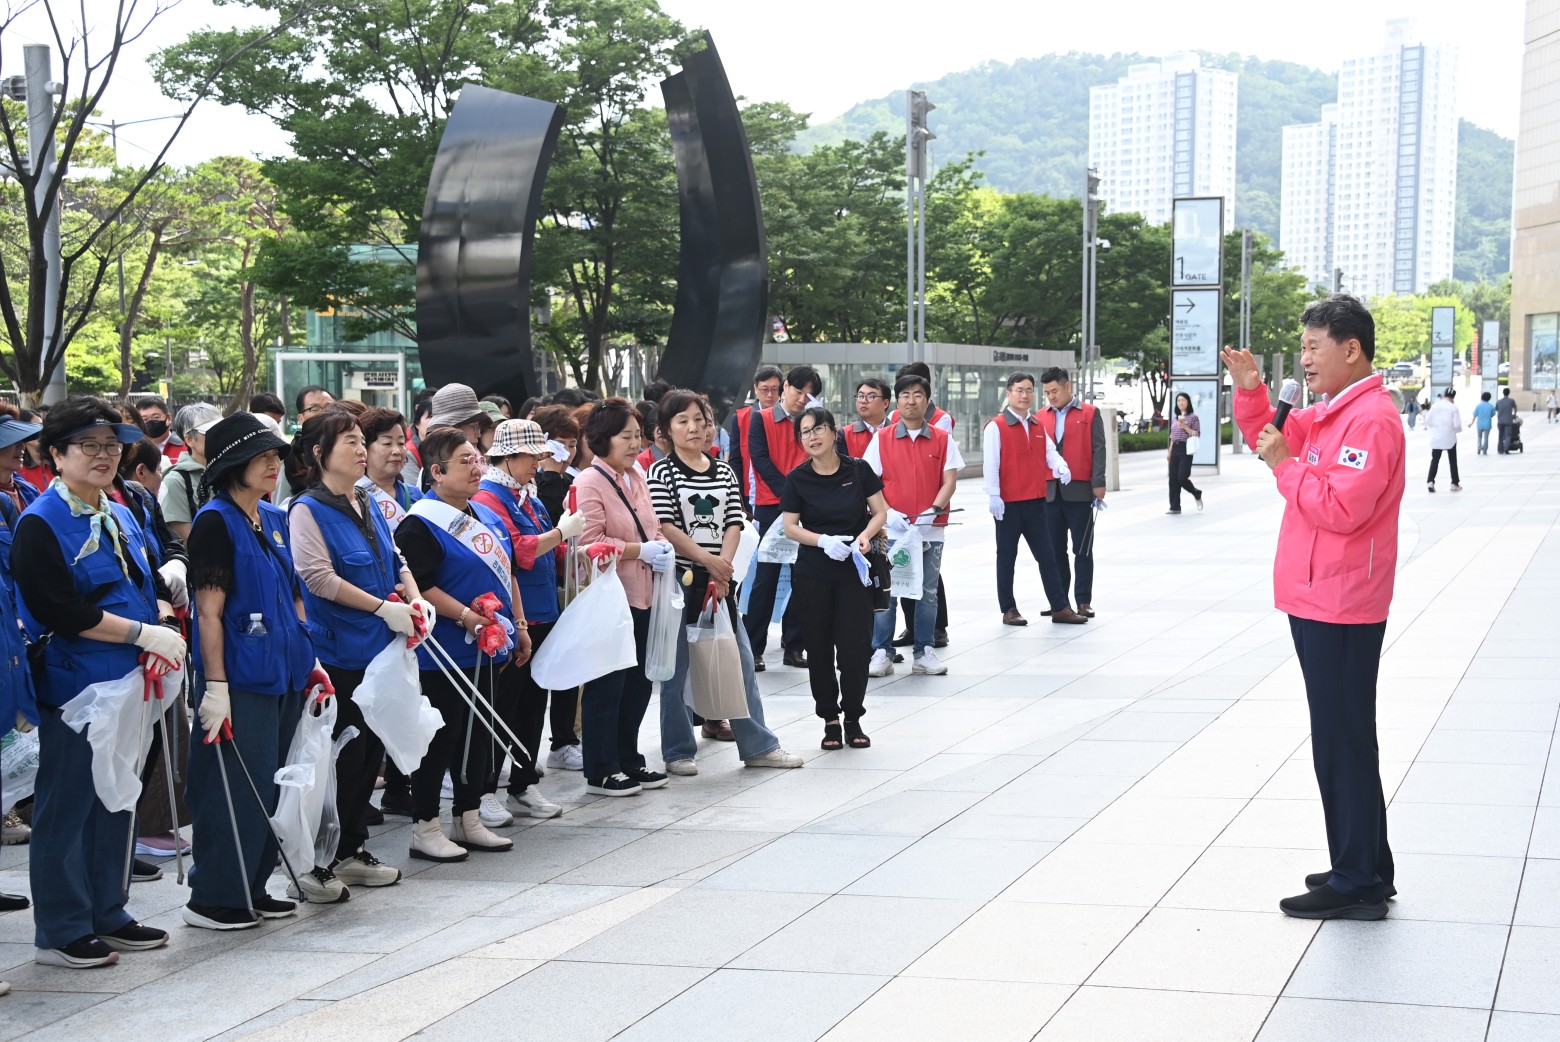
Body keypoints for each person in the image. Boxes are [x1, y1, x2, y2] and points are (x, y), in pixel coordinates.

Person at [1223, 294, 1403, 921]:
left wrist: (1285, 467)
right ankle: (1366, 865)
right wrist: (1251, 391)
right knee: (1343, 736)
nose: (1304, 358)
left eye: (1312, 346)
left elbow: (1341, 507)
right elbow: (1271, 437)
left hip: (1341, 601)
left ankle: (1356, 881)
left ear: (1351, 349)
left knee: (1341, 740)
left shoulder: (1369, 420)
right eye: (1302, 347)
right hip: (1320, 595)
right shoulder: (1332, 413)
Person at [12, 397, 181, 963]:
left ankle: (109, 910)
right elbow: (60, 610)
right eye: (89, 445)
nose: (104, 455)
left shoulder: (120, 510)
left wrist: (161, 620)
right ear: (55, 454)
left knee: (117, 798)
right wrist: (142, 634)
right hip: (77, 687)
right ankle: (62, 929)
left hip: (132, 682)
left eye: (112, 445)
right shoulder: (41, 523)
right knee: (69, 806)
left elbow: (147, 577)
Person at [184, 412, 321, 930]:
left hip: (284, 672)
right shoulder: (215, 521)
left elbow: (293, 595)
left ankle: (254, 885)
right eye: (261, 457)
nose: (273, 465)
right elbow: (209, 612)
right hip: (240, 678)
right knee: (234, 789)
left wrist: (309, 659)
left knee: (272, 786)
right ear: (232, 463)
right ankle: (215, 896)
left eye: (275, 456)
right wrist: (215, 685)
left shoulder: (272, 517)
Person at [289, 411, 433, 897]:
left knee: (371, 751)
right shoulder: (306, 509)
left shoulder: (366, 498)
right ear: (319, 454)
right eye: (349, 442)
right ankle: (322, 858)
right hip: (340, 653)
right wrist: (381, 608)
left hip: (381, 649)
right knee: (342, 756)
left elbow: (395, 558)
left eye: (359, 441)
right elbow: (318, 578)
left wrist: (414, 598)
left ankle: (351, 848)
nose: (360, 450)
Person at [649, 390, 803, 775]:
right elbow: (666, 526)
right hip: (680, 581)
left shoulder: (723, 471)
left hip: (721, 582)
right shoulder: (661, 472)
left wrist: (724, 568)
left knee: (740, 662)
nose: (694, 428)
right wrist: (709, 562)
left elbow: (735, 521)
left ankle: (758, 746)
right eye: (683, 421)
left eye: (700, 420)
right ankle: (678, 751)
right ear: (667, 429)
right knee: (675, 669)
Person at [395, 426, 530, 858]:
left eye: (478, 459)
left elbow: (508, 573)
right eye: (465, 461)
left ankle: (468, 818)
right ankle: (425, 826)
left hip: (489, 647)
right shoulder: (419, 523)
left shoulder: (486, 515)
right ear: (436, 472)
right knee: (443, 737)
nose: (477, 468)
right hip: (444, 651)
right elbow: (419, 585)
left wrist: (519, 625)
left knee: (479, 735)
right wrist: (468, 618)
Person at [471, 419, 584, 818]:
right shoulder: (488, 499)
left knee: (533, 705)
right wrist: (561, 534)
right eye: (531, 456)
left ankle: (522, 783)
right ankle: (484, 789)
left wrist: (580, 549)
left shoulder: (528, 497)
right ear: (508, 457)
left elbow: (551, 551)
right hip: (513, 619)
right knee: (500, 707)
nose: (538, 463)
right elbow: (518, 551)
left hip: (543, 612)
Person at [572, 398, 675, 796]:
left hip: (644, 592)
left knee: (637, 682)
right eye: (625, 437)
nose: (635, 444)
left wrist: (660, 545)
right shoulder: (589, 482)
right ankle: (601, 769)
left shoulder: (637, 475)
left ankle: (628, 758)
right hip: (612, 596)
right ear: (603, 439)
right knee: (608, 683)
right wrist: (639, 551)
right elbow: (589, 543)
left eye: (637, 436)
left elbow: (651, 525)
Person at [781, 407, 887, 750]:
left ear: (833, 432)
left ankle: (853, 717)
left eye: (817, 429)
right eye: (805, 432)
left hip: (854, 571)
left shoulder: (858, 469)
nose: (811, 437)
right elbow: (789, 527)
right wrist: (822, 541)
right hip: (813, 573)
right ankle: (830, 719)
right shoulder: (798, 478)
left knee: (855, 648)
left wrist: (865, 536)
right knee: (819, 648)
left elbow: (880, 511)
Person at [864, 374, 962, 677]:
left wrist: (933, 511)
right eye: (905, 395)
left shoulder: (942, 439)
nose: (911, 400)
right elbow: (870, 482)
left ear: (927, 400)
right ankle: (882, 651)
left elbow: (949, 481)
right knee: (888, 591)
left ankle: (924, 650)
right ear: (897, 401)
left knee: (927, 591)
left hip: (930, 530)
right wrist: (887, 511)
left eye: (918, 394)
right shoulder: (882, 438)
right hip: (891, 530)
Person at [981, 373, 1087, 626]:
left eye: (1029, 390)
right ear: (1009, 394)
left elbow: (1050, 453)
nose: (1025, 395)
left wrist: (1061, 466)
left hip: (1037, 502)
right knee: (1007, 558)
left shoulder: (1037, 425)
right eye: (1019, 390)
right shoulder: (996, 426)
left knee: (1048, 557)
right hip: (1008, 504)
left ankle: (1060, 607)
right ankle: (1009, 609)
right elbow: (991, 463)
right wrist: (993, 494)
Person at [744, 365, 820, 670]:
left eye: (809, 395)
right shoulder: (761, 418)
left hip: (806, 508)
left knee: (803, 578)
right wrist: (789, 493)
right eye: (798, 391)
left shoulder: (813, 423)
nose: (802, 399)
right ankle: (753, 648)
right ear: (785, 387)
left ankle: (795, 646)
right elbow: (759, 459)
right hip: (771, 506)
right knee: (766, 580)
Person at [1039, 368, 1107, 618]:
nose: (1051, 397)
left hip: (1080, 491)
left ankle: (1083, 601)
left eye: (1054, 391)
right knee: (1054, 551)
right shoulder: (1040, 416)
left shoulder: (1089, 413)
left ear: (1067, 386)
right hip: (1050, 492)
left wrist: (1098, 482)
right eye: (1047, 393)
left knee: (1083, 549)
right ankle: (1060, 603)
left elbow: (1099, 449)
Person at [159, 403, 223, 541]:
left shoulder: (230, 471)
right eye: (211, 432)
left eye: (223, 430)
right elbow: (186, 540)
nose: (220, 436)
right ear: (189, 440)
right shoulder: (176, 480)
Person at [725, 365, 783, 514]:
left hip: (782, 490)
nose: (770, 395)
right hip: (751, 492)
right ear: (756, 389)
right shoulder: (740, 418)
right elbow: (735, 460)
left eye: (774, 389)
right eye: (764, 390)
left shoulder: (790, 418)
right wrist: (737, 496)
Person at [357, 407, 422, 530]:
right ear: (365, 448)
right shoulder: (354, 498)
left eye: (401, 443)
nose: (397, 451)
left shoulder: (416, 496)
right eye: (387, 443)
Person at [531, 405, 582, 529]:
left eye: (572, 445)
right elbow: (547, 521)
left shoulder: (570, 480)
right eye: (559, 444)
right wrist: (551, 473)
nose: (567, 453)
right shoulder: (527, 480)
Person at [1166, 392, 1204, 514]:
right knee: (1173, 479)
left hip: (1186, 449)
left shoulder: (1193, 417)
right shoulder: (1175, 418)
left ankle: (1196, 492)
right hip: (1175, 449)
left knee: (1182, 477)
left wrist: (1185, 427)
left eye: (1183, 400)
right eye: (1178, 401)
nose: (1180, 403)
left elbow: (1196, 434)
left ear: (1188, 402)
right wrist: (1169, 451)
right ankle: (1175, 507)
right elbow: (1172, 436)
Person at [841, 378, 891, 458]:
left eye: (871, 396)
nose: (863, 401)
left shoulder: (898, 433)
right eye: (860, 396)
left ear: (885, 403)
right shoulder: (844, 434)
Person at [1426, 388, 1462, 492]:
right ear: (1453, 397)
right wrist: (1456, 430)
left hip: (1437, 437)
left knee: (1435, 460)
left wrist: (1436, 426)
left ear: (1444, 395)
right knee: (1452, 461)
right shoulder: (1453, 408)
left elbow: (1427, 420)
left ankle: (1430, 482)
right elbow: (1457, 425)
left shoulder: (1435, 406)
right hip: (1450, 437)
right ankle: (1454, 483)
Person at [136, 395, 184, 465]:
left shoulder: (185, 447)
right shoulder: (134, 449)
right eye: (144, 419)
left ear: (169, 418)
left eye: (156, 417)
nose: (150, 422)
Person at [1496, 386, 1518, 453]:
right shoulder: (1511, 401)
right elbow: (1515, 408)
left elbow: (1496, 409)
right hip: (1508, 420)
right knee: (1508, 435)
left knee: (1500, 435)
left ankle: (1500, 449)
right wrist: (1514, 415)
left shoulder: (1499, 401)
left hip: (1500, 421)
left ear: (1503, 393)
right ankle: (1506, 449)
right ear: (1509, 393)